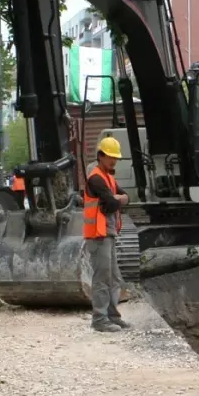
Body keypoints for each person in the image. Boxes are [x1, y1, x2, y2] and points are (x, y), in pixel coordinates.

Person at [83, 137, 131, 333]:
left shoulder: (108, 178)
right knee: (102, 278)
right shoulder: (96, 178)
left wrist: (118, 198)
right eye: (110, 157)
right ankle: (99, 319)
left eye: (115, 158)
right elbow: (111, 204)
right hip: (98, 235)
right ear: (100, 156)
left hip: (108, 234)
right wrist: (119, 199)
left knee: (113, 277)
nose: (113, 161)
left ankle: (112, 316)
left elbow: (125, 197)